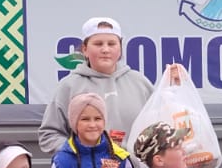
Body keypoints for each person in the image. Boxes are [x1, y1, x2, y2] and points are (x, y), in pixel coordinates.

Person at [37, 16, 156, 153]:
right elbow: (49, 135)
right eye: (98, 44)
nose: (105, 49)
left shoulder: (140, 83)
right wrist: (81, 153)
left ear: (120, 49)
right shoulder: (69, 86)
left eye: (111, 44)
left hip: (135, 166)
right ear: (85, 49)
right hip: (85, 167)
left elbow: (160, 129)